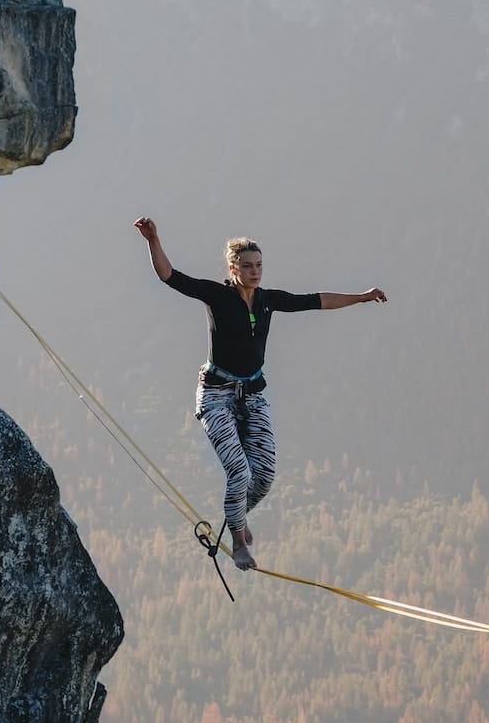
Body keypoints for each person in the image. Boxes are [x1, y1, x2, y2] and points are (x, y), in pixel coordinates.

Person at [134, 216, 387, 571]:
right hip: (216, 394)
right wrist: (153, 239)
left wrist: (361, 297)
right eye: (248, 266)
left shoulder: (268, 300)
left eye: (259, 266)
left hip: (252, 394)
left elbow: (317, 301)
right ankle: (238, 542)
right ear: (233, 268)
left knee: (264, 474)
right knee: (239, 470)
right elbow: (170, 277)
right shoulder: (218, 296)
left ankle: (237, 516)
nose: (255, 272)